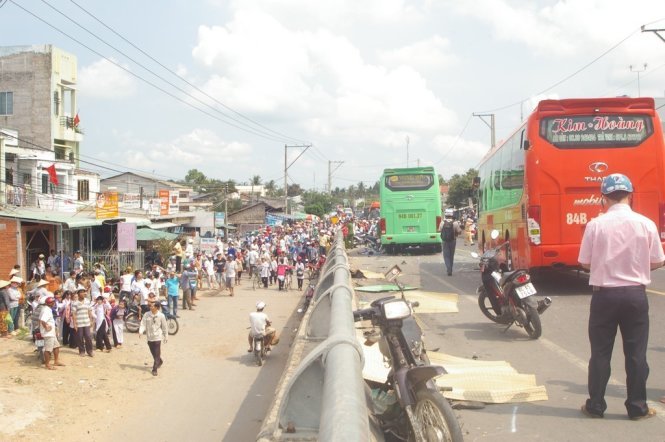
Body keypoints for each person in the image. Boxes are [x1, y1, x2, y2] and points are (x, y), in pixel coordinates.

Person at [578, 173, 665, 420]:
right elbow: (658, 260)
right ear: (630, 195)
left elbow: (584, 262)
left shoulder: (596, 225)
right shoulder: (646, 223)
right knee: (637, 354)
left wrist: (606, 264)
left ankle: (595, 406)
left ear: (603, 197)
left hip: (604, 296)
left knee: (600, 353)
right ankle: (637, 408)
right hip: (635, 296)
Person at [139, 301, 168, 376]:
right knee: (153, 353)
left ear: (157, 307)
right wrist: (141, 331)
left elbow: (164, 326)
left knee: (157, 352)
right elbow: (143, 323)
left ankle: (154, 369)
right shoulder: (146, 314)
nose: (150, 307)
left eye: (152, 306)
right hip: (149, 337)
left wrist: (166, 336)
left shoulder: (161, 316)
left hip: (158, 336)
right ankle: (159, 361)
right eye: (150, 306)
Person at [39, 297, 64, 370]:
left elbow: (40, 320)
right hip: (48, 333)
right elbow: (43, 321)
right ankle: (47, 364)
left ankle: (56, 361)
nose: (54, 304)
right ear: (50, 303)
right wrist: (46, 327)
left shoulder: (47, 309)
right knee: (48, 349)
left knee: (56, 346)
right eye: (53, 302)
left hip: (51, 332)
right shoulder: (46, 310)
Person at [71, 288, 95, 357]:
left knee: (88, 337)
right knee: (80, 337)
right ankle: (81, 351)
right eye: (81, 292)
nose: (83, 293)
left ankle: (90, 351)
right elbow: (74, 314)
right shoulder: (75, 303)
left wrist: (91, 320)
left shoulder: (87, 301)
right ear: (78, 294)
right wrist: (75, 324)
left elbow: (89, 311)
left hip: (86, 322)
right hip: (79, 323)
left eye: (84, 292)